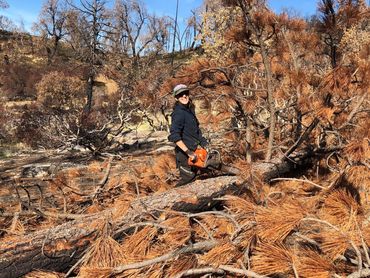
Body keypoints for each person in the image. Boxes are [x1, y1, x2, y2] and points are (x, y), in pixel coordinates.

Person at [168, 84, 208, 187]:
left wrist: (204, 143)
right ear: (176, 98)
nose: (184, 96)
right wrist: (188, 152)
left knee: (200, 177)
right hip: (185, 154)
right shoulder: (178, 113)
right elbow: (175, 136)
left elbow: (196, 131)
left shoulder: (189, 110)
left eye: (186, 93)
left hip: (196, 151)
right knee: (187, 181)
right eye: (181, 94)